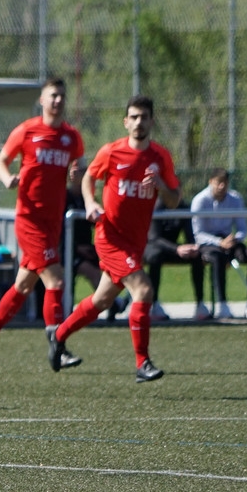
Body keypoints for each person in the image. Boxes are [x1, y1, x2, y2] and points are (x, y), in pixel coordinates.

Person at [48, 95, 180, 382]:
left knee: (101, 300)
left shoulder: (160, 157)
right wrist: (90, 203)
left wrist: (160, 185)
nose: (138, 122)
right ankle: (142, 363)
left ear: (152, 122)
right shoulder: (111, 151)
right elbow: (88, 177)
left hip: (135, 242)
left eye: (144, 117)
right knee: (143, 290)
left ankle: (58, 335)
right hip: (110, 238)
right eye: (134, 117)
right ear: (125, 122)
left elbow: (174, 200)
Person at [0, 78, 84, 372]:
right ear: (42, 100)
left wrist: (78, 177)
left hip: (53, 221)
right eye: (53, 95)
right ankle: (58, 344)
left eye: (62, 96)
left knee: (23, 285)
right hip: (29, 219)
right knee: (55, 280)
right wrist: (7, 178)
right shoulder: (27, 130)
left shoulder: (72, 137)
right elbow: (1, 161)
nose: (58, 100)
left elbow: (79, 172)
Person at [191, 168, 247, 319]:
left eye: (225, 183)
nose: (222, 186)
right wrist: (219, 242)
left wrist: (235, 238)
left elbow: (243, 228)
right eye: (218, 183)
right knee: (217, 257)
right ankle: (222, 304)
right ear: (211, 182)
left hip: (230, 240)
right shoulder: (200, 200)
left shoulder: (235, 198)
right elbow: (198, 234)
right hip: (209, 242)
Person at [63, 157, 128, 321]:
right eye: (72, 170)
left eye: (79, 170)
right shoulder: (63, 197)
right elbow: (58, 231)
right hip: (66, 250)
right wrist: (77, 248)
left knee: (107, 270)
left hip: (86, 250)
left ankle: (112, 304)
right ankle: (113, 304)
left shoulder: (88, 199)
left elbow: (99, 223)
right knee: (92, 273)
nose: (74, 173)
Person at [144, 198, 208, 321]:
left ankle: (200, 304)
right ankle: (154, 303)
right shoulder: (156, 206)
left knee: (196, 256)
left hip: (173, 248)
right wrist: (177, 248)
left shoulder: (183, 207)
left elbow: (189, 233)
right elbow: (154, 238)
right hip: (152, 246)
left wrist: (192, 247)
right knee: (155, 257)